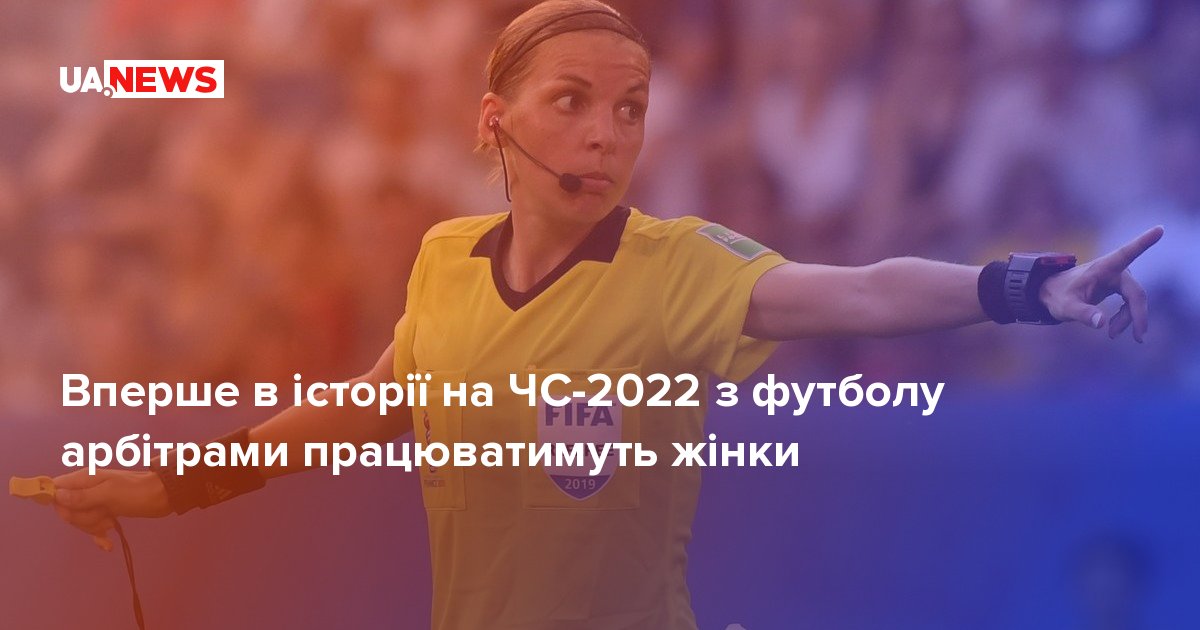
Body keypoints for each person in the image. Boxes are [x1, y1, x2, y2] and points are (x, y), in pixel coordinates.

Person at [48, 2, 1163, 629]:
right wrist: (173, 486)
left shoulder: (678, 269)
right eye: (572, 102)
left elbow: (864, 288)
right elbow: (358, 411)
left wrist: (1025, 288)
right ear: (496, 122)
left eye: (630, 108)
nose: (607, 133)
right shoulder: (443, 261)